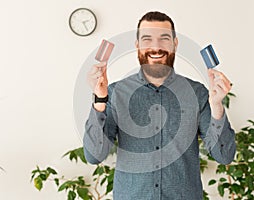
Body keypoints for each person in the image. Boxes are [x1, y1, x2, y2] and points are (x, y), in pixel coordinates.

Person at [84, 11, 236, 200]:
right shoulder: (115, 93)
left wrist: (217, 105)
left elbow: (224, 156)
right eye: (147, 39)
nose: (156, 47)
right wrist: (100, 99)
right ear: (137, 46)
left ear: (175, 44)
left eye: (164, 38)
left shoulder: (198, 93)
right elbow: (94, 156)